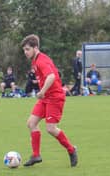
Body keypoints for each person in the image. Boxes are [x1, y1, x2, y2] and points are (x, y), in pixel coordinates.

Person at [21, 34, 78, 167]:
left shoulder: (41, 60)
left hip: (55, 97)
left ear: (35, 48)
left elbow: (51, 76)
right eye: (24, 50)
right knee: (31, 123)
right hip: (45, 98)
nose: (25, 52)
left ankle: (71, 149)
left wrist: (42, 91)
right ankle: (36, 156)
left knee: (51, 129)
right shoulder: (35, 60)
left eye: (27, 49)